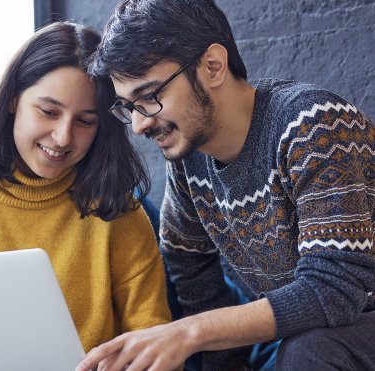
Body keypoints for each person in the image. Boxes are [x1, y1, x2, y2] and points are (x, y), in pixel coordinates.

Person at [76, 0, 375, 370]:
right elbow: (188, 262)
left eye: (150, 97)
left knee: (310, 350)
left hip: (348, 327)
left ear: (213, 67)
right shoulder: (190, 156)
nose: (139, 125)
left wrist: (189, 333)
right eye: (128, 106)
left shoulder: (314, 125)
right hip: (312, 337)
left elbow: (336, 289)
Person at [0, 21, 173, 356]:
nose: (63, 137)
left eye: (84, 121)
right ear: (12, 99)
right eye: (48, 111)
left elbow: (156, 352)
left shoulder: (118, 214)